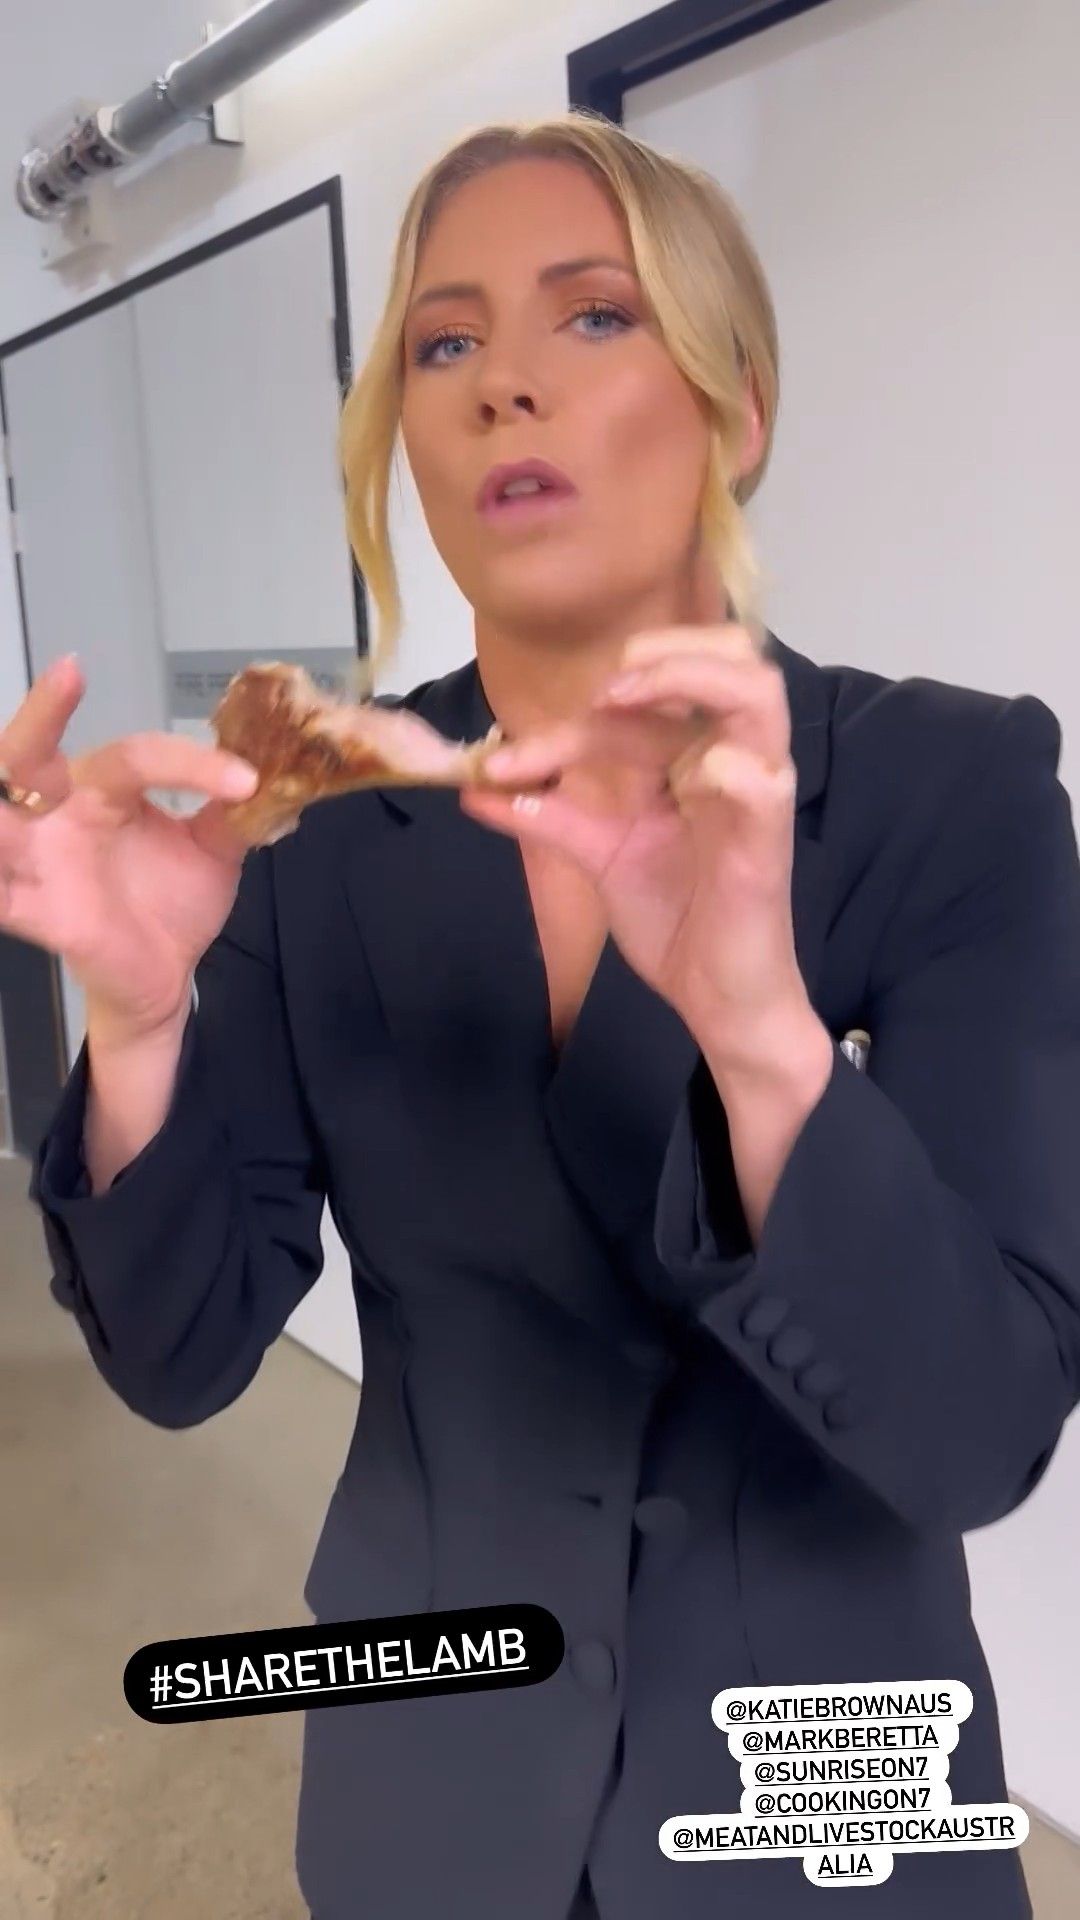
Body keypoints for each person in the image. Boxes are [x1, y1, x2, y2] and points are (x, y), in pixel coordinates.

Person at [6, 110, 1080, 1920]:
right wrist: (136, 1019)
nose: (506, 380)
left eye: (593, 315)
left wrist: (761, 1036)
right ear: (405, 441)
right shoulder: (316, 830)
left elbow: (977, 1429)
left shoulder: (947, 792)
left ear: (739, 409)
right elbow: (180, 1365)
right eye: (446, 342)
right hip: (431, 1794)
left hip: (825, 1805)